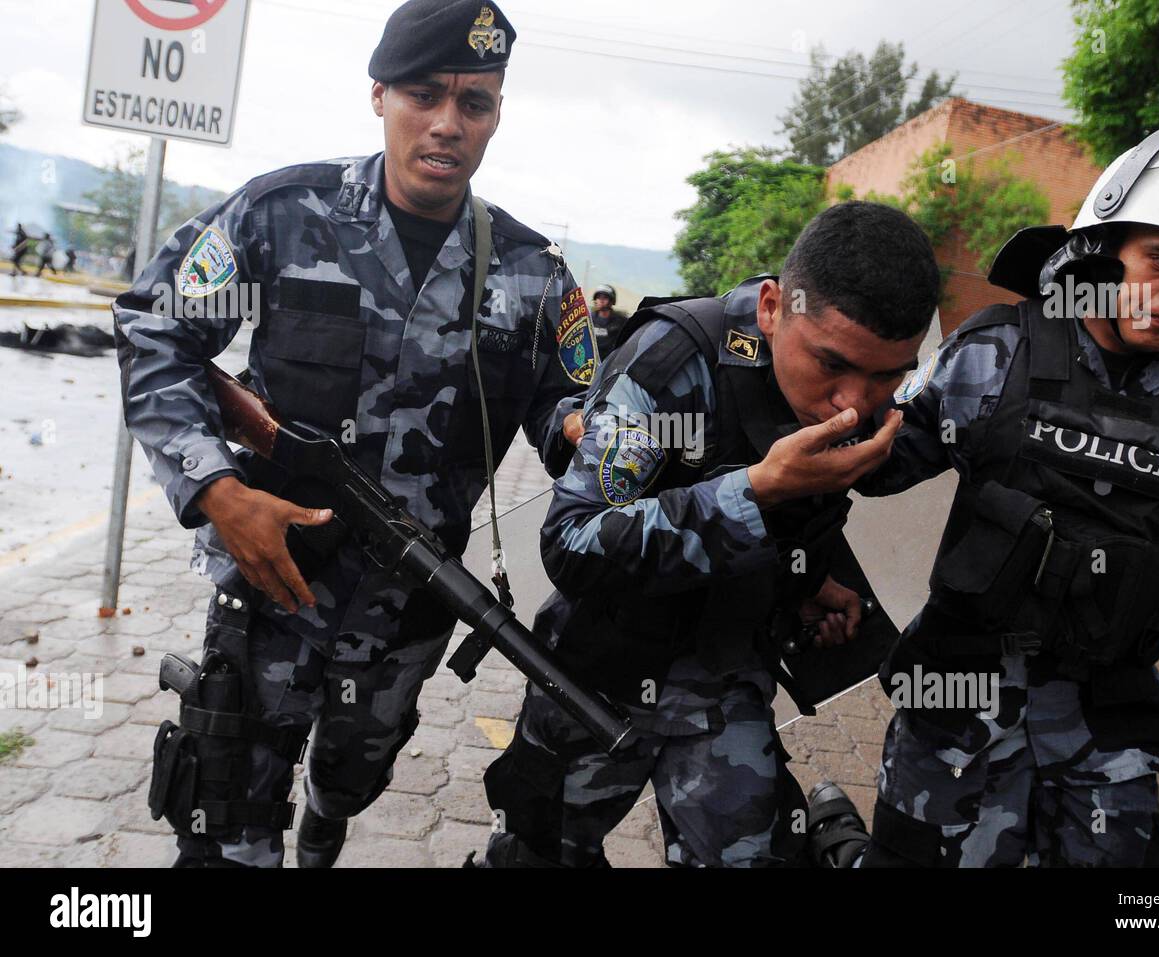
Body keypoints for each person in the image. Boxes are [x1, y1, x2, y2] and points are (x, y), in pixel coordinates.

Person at [114, 0, 592, 868]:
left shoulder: (532, 275)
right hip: (268, 585)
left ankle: (328, 815)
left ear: (496, 114)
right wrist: (217, 491)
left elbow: (569, 425)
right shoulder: (283, 212)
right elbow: (154, 327)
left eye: (475, 103)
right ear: (380, 95)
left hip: (409, 609)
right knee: (225, 833)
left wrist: (602, 431)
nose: (447, 123)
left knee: (353, 774)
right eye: (424, 93)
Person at [808, 111, 1159, 868]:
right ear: (1100, 251)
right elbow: (867, 466)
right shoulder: (994, 355)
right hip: (956, 716)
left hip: (1109, 735)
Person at [479, 201, 941, 867]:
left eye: (886, 376)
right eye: (833, 363)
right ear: (773, 307)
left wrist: (809, 580)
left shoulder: (864, 396)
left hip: (724, 676)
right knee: (541, 851)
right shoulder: (670, 362)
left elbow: (807, 517)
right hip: (599, 674)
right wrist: (754, 490)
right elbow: (573, 539)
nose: (854, 402)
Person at [589, 283, 627, 348]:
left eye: (604, 298)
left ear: (612, 301)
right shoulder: (589, 319)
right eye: (598, 297)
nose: (601, 301)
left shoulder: (621, 322)